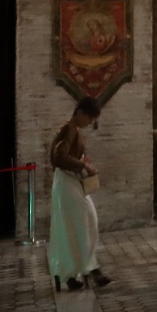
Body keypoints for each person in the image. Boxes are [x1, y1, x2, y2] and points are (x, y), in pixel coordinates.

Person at [48, 97, 111, 290]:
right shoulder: (70, 129)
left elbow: (66, 156)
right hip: (67, 183)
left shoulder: (71, 130)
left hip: (68, 182)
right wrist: (83, 165)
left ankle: (72, 272)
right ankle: (90, 269)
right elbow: (58, 157)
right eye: (89, 118)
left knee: (76, 225)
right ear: (80, 112)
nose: (90, 123)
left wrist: (82, 161)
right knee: (84, 223)